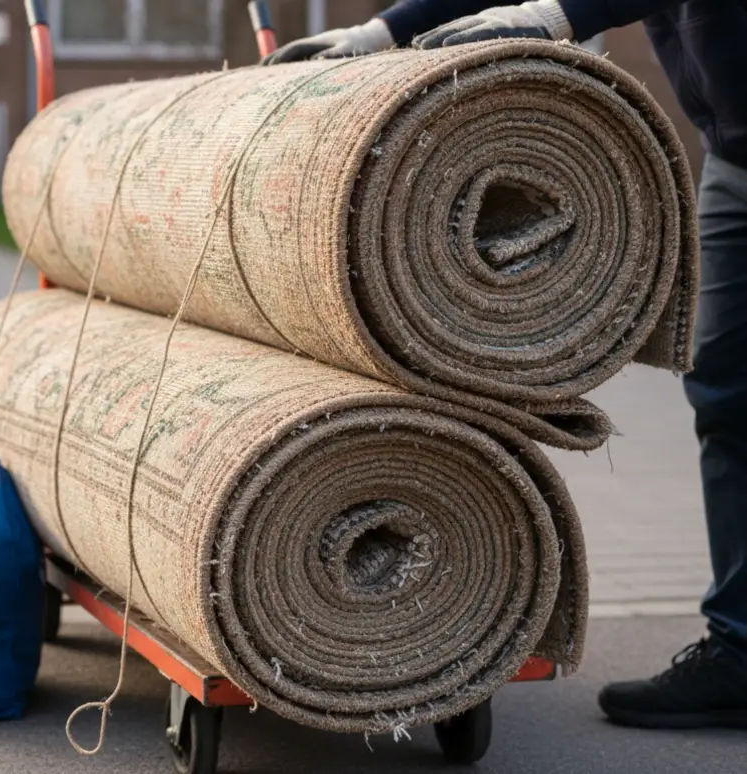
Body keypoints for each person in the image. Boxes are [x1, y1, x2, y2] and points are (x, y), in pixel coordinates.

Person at [262, 0, 747, 731]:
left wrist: (558, 15)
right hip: (737, 160)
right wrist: (385, 31)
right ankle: (741, 653)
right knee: (728, 398)